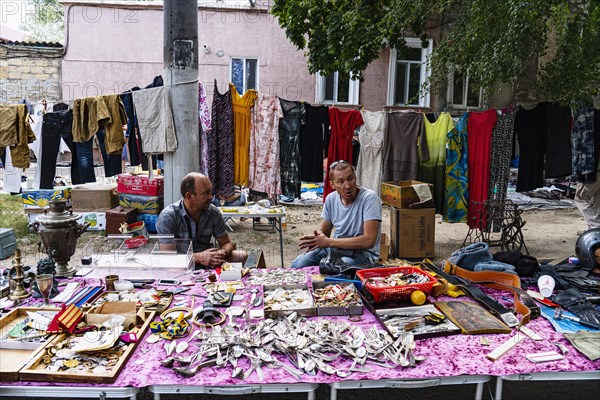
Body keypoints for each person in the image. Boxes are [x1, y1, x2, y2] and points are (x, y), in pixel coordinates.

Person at [291, 160, 382, 268]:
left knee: (340, 269)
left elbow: (369, 241)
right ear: (332, 184)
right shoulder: (331, 199)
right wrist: (317, 239)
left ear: (355, 178)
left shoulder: (369, 198)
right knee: (298, 264)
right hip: (336, 247)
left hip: (363, 253)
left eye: (350, 179)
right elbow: (325, 232)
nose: (347, 186)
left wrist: (328, 242)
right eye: (341, 181)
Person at [157, 172, 247, 268]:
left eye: (210, 191)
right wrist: (199, 257)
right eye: (206, 193)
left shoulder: (213, 212)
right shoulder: (168, 217)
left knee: (242, 255)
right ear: (189, 196)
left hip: (209, 259)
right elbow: (168, 257)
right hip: (181, 264)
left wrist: (222, 252)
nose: (211, 197)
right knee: (174, 268)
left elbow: (226, 243)